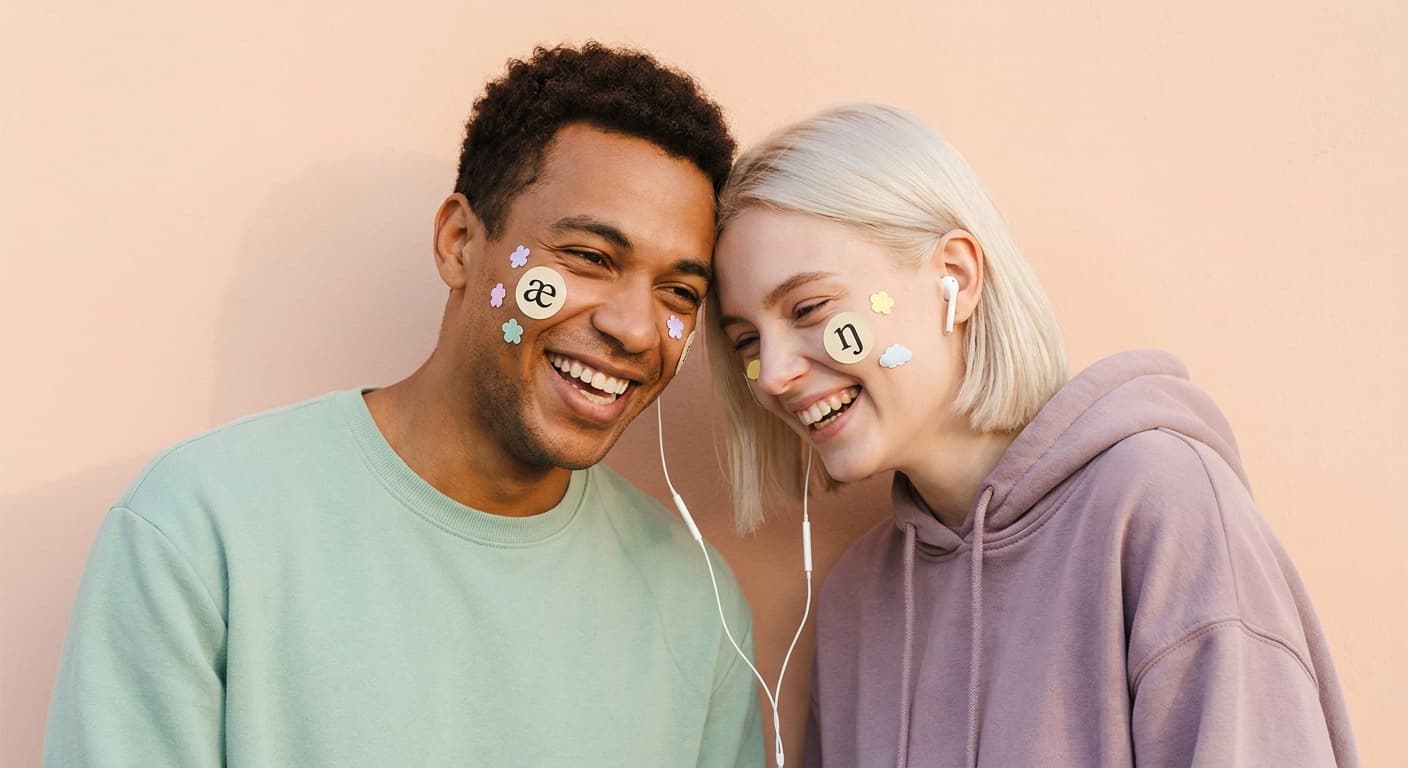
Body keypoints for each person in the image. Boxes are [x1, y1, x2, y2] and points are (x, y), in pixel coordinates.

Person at [46, 43, 763, 767]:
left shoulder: (697, 608)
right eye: (588, 256)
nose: (636, 327)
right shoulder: (200, 528)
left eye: (679, 293)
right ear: (458, 242)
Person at [706, 103, 1356, 766]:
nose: (774, 376)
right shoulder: (859, 600)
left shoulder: (1158, 504)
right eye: (748, 341)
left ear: (954, 276)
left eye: (809, 308)